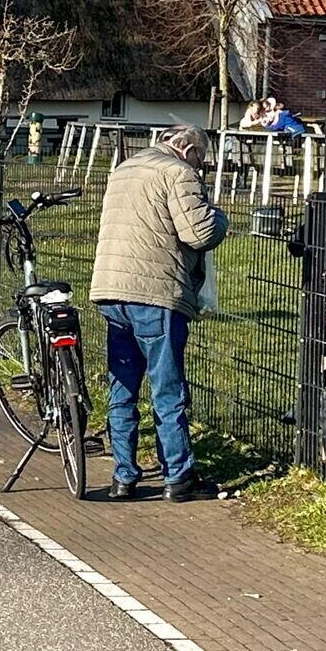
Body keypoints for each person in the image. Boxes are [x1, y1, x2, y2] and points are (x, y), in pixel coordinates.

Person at [88, 124, 229, 502]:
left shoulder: (124, 168)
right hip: (155, 292)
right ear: (187, 148)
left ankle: (123, 477)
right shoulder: (178, 172)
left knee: (123, 385)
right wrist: (220, 218)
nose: (200, 167)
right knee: (167, 388)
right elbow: (199, 233)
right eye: (201, 159)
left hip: (111, 288)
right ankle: (178, 477)